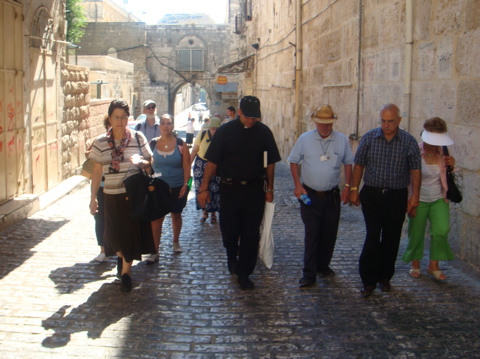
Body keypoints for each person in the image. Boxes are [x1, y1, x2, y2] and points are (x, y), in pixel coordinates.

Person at [197, 96, 281, 290]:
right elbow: (212, 162)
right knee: (229, 231)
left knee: (251, 233)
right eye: (248, 117)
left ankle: (245, 273)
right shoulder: (225, 131)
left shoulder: (264, 132)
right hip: (229, 189)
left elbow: (270, 163)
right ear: (240, 112)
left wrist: (270, 188)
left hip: (254, 190)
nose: (251, 121)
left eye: (255, 118)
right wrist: (204, 188)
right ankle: (231, 254)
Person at [350, 103, 421, 298]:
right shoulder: (370, 138)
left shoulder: (408, 141)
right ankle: (368, 280)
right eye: (383, 121)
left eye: (390, 121)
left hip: (396, 197)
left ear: (398, 120)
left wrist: (414, 196)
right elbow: (359, 164)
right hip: (372, 195)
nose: (386, 125)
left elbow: (415, 171)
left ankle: (385, 277)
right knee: (372, 236)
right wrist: (354, 190)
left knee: (391, 238)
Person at [88, 99, 156, 292]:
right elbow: (95, 171)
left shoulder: (137, 137)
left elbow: (149, 161)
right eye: (116, 117)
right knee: (111, 236)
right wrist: (93, 197)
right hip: (110, 194)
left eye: (124, 117)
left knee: (129, 234)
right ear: (110, 118)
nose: (120, 121)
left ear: (128, 118)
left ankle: (126, 273)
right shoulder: (101, 142)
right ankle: (122, 259)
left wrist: (141, 161)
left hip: (132, 194)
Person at [288, 104, 354, 287]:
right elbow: (293, 161)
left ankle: (323, 265)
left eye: (328, 123)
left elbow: (348, 163)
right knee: (312, 234)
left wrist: (348, 187)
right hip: (310, 195)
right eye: (321, 123)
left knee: (329, 233)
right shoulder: (305, 139)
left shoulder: (341, 140)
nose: (325, 127)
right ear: (315, 122)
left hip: (332, 196)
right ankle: (309, 273)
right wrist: (297, 186)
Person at [402, 117, 456, 280]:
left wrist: (452, 165)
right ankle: (415, 264)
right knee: (416, 232)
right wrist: (408, 200)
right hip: (418, 198)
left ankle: (433, 265)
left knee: (441, 230)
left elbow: (449, 176)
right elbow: (406, 177)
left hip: (439, 197)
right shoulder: (415, 151)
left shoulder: (443, 153)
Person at [145, 114, 191, 263]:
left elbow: (186, 166)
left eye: (169, 123)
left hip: (177, 186)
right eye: (163, 123)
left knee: (176, 214)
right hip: (158, 187)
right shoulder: (152, 144)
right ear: (159, 126)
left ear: (173, 126)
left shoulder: (180, 144)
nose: (166, 126)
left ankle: (175, 241)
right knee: (156, 219)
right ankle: (155, 251)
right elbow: (147, 165)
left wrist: (186, 185)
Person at [190, 117, 222, 224]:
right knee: (201, 189)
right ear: (209, 128)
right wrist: (186, 167)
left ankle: (213, 213)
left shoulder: (222, 137)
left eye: (217, 129)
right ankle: (204, 211)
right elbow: (195, 150)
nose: (214, 131)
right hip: (201, 165)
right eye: (213, 129)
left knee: (214, 189)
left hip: (216, 165)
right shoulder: (203, 134)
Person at [91, 115, 111, 262]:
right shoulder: (100, 140)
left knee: (116, 219)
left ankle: (116, 248)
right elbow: (89, 156)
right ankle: (103, 249)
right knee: (100, 219)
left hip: (119, 187)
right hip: (102, 186)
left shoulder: (126, 140)